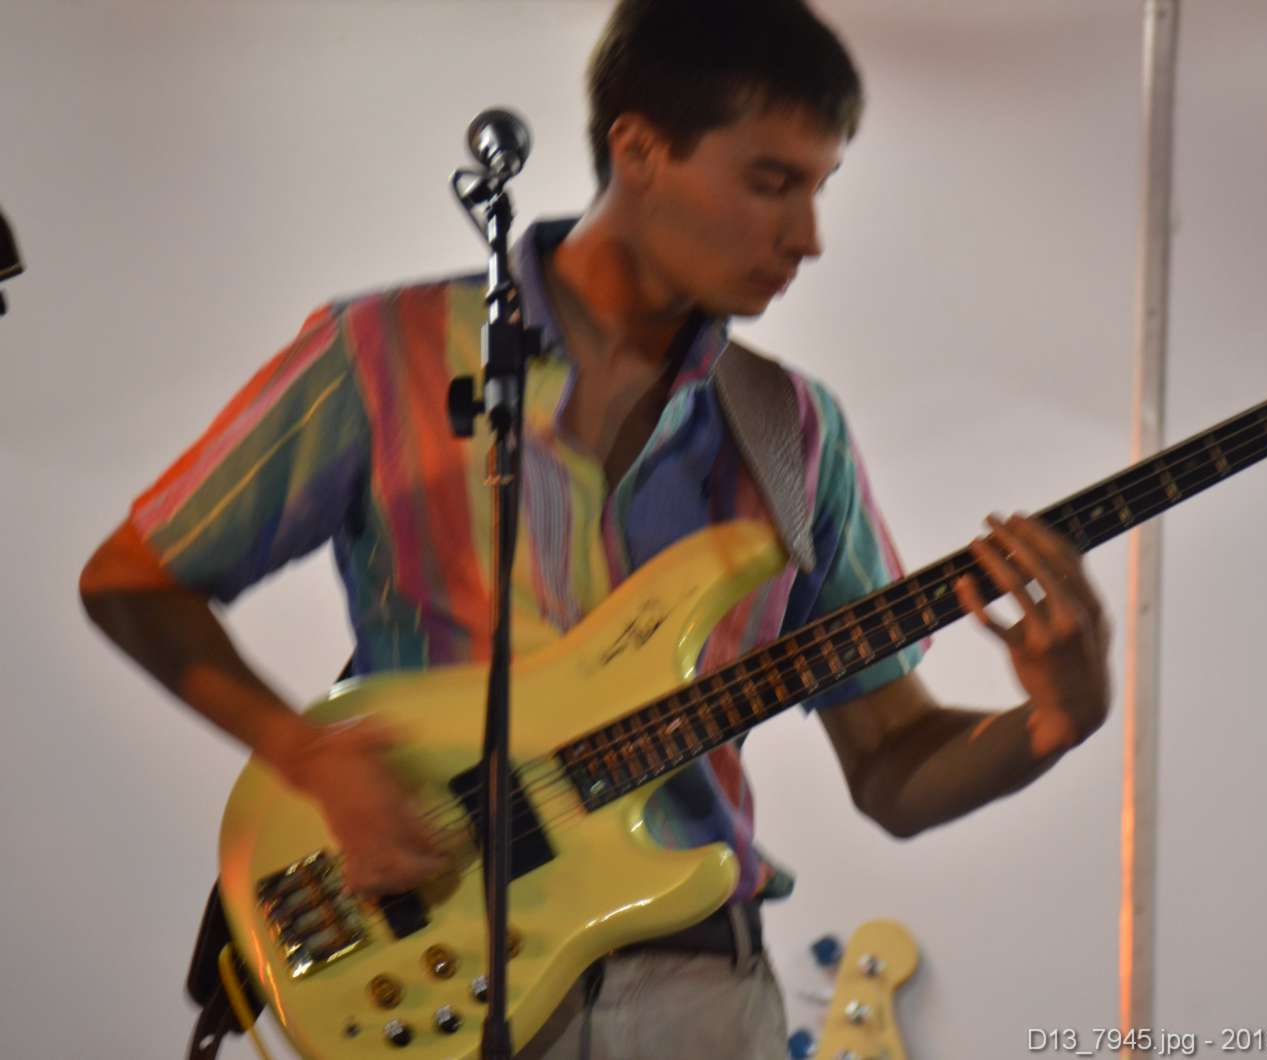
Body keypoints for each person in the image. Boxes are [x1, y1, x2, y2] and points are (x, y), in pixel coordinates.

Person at [78, 1, 1112, 1056]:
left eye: (819, 187)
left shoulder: (793, 430)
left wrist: (1053, 719)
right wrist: (311, 757)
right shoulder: (386, 352)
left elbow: (892, 765)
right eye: (771, 182)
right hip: (438, 963)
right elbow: (132, 580)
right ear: (640, 149)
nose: (807, 236)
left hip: (699, 994)